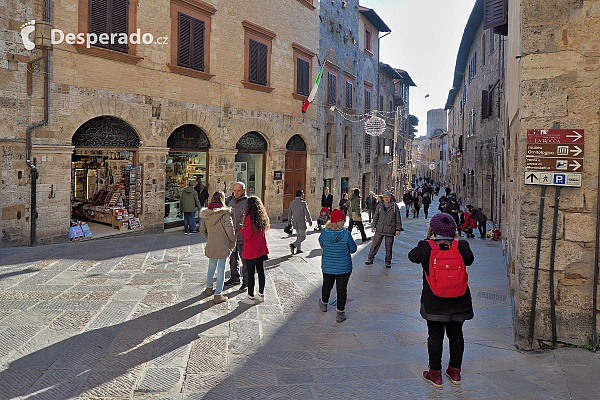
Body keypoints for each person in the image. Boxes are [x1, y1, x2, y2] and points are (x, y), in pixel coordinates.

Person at [408, 213, 474, 388]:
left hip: (435, 300)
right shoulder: (462, 245)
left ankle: (435, 373)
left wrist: (427, 239)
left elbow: (412, 257)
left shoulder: (425, 246)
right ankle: (455, 371)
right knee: (457, 334)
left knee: (435, 335)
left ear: (433, 229)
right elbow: (470, 260)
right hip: (459, 299)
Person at [318, 209, 357, 323]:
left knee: (327, 285)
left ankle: (324, 304)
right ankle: (340, 313)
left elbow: (322, 244)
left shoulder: (324, 232)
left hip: (328, 265)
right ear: (341, 221)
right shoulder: (346, 234)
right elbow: (353, 249)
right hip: (343, 267)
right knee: (341, 289)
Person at [199, 191, 236, 304]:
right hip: (223, 244)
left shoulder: (207, 214)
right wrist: (233, 240)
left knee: (211, 267)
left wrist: (210, 237)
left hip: (212, 244)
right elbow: (230, 230)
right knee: (221, 269)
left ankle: (209, 288)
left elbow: (202, 230)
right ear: (222, 199)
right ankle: (218, 294)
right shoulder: (225, 214)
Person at [240, 196, 270, 305]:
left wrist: (242, 229)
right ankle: (261, 294)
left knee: (251, 273)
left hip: (251, 251)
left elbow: (248, 235)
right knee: (261, 272)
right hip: (261, 249)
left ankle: (250, 297)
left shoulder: (249, 218)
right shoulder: (262, 217)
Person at [365, 191, 402, 268]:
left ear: (390, 198)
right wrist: (373, 226)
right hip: (380, 228)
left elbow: (398, 218)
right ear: (383, 198)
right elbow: (375, 217)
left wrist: (398, 229)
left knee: (388, 247)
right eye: (386, 197)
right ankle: (370, 258)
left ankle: (388, 261)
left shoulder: (394, 206)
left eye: (388, 197)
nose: (387, 199)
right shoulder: (379, 206)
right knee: (375, 244)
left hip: (390, 229)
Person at [223, 182, 249, 289]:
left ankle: (246, 282)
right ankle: (235, 277)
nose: (236, 193)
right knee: (233, 259)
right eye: (235, 190)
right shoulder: (229, 201)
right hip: (231, 236)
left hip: (243, 236)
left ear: (243, 190)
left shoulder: (248, 202)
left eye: (238, 191)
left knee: (245, 260)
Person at [288, 190, 313, 254]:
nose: (304, 195)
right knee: (303, 236)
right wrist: (310, 221)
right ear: (301, 195)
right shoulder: (303, 203)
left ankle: (298, 249)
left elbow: (289, 214)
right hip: (301, 222)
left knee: (299, 235)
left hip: (295, 222)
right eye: (303, 194)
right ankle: (293, 245)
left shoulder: (292, 203)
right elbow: (307, 213)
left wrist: (289, 223)